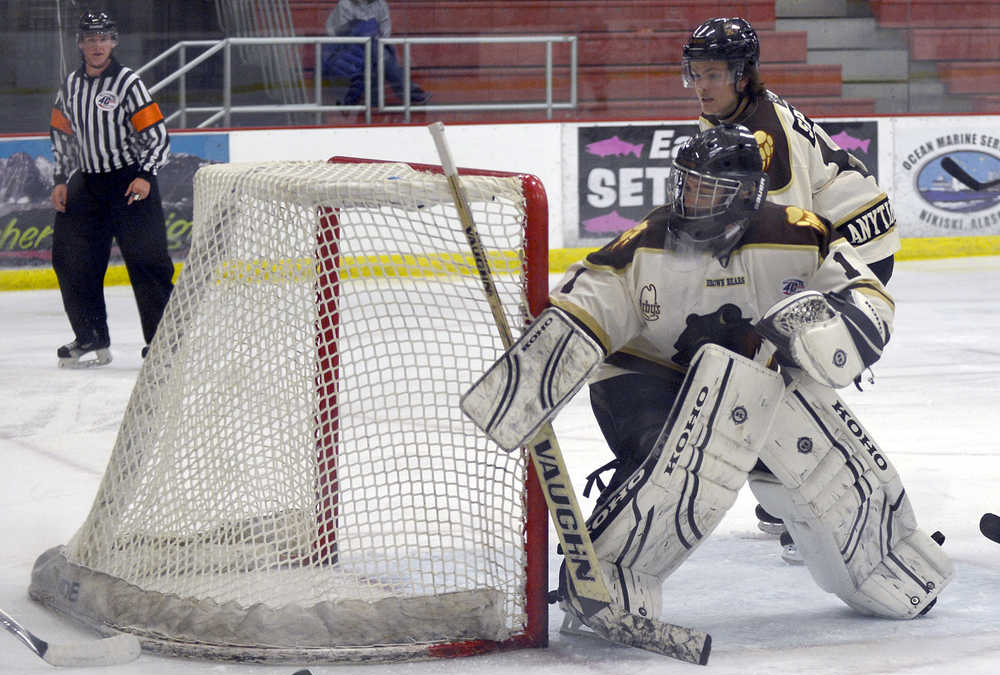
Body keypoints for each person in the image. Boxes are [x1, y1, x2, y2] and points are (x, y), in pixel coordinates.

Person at [463, 124, 951, 636]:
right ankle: (610, 573)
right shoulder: (646, 245)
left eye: (708, 188)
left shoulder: (799, 232)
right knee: (678, 461)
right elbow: (590, 301)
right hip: (646, 376)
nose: (691, 198)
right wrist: (545, 360)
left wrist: (844, 326)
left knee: (816, 454)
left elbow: (862, 288)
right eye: (687, 184)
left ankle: (883, 556)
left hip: (752, 380)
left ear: (747, 195)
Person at [682, 17, 903, 551]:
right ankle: (795, 489)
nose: (703, 85)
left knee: (795, 364)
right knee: (775, 359)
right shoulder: (733, 110)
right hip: (839, 235)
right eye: (696, 73)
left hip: (854, 251)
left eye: (714, 73)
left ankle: (825, 501)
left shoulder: (764, 134)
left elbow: (793, 234)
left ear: (742, 74)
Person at [49, 11, 175, 368]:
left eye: (103, 38)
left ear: (114, 42)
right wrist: (61, 178)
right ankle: (91, 337)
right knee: (71, 258)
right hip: (88, 182)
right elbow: (62, 133)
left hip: (130, 182)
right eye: (90, 39)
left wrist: (146, 175)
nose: (97, 45)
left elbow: (157, 136)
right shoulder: (70, 85)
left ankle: (163, 342)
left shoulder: (128, 84)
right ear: (80, 44)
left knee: (148, 262)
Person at [322, 0, 428, 107]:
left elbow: (385, 33)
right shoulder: (345, 4)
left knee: (376, 52)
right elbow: (334, 32)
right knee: (377, 51)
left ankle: (367, 102)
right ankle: (411, 93)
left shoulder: (381, 4)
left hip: (372, 51)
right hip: (350, 50)